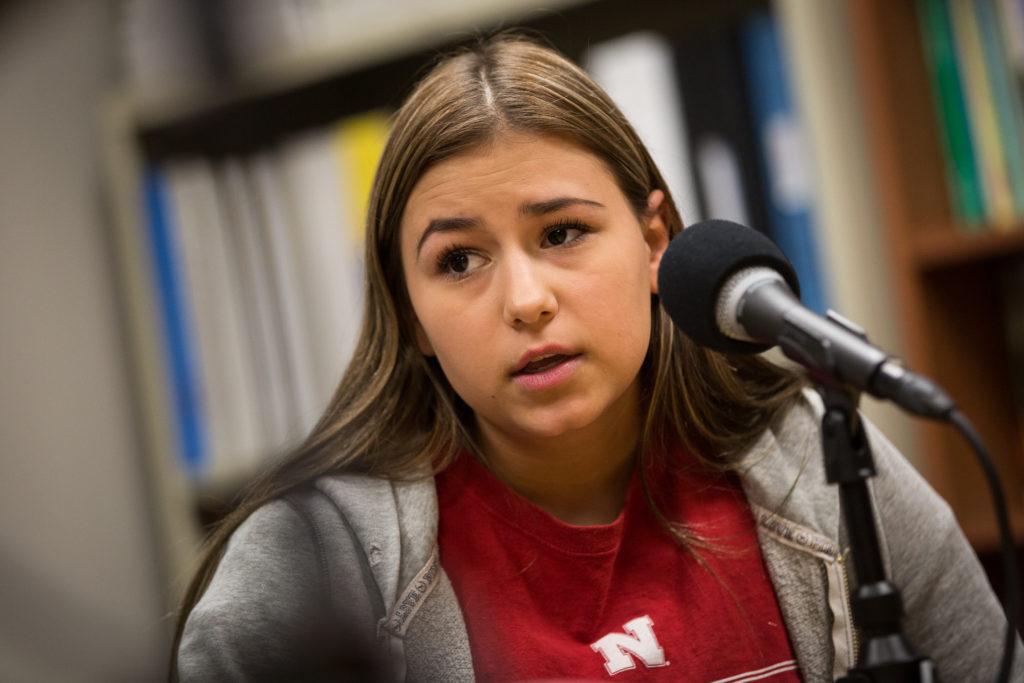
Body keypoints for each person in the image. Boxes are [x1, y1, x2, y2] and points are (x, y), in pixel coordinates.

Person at [173, 34, 1019, 682]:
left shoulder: (805, 455)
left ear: (655, 242)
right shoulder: (312, 564)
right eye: (459, 261)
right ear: (411, 316)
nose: (526, 298)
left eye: (562, 233)